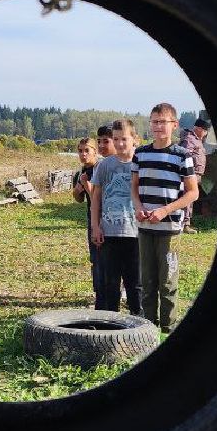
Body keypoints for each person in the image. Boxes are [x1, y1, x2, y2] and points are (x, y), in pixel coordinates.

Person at [131, 102, 198, 332]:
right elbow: (134, 187)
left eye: (163, 122)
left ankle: (168, 329)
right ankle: (148, 329)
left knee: (167, 281)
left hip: (169, 228)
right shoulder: (140, 154)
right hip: (144, 226)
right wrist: (138, 206)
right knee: (147, 281)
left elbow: (193, 192)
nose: (158, 126)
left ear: (174, 125)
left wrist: (164, 211)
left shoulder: (183, 156)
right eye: (154, 121)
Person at [89, 119, 142, 315]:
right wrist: (95, 226)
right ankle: (109, 327)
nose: (120, 144)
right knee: (110, 284)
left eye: (124, 139)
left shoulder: (141, 164)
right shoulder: (104, 166)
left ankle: (139, 327)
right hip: (109, 234)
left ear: (134, 139)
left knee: (135, 285)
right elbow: (96, 197)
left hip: (135, 234)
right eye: (116, 139)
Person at [72, 137, 104, 307]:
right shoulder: (82, 172)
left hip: (105, 220)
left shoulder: (101, 169)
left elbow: (98, 200)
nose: (83, 155)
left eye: (86, 151)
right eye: (80, 151)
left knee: (105, 259)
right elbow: (78, 199)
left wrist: (87, 185)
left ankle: (109, 294)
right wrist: (78, 191)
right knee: (95, 259)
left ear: (95, 152)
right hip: (91, 220)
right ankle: (98, 293)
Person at [178, 116, 210, 232]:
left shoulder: (196, 139)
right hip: (189, 175)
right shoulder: (190, 139)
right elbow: (185, 154)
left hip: (194, 175)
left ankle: (186, 223)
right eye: (205, 131)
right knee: (186, 198)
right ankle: (184, 224)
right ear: (200, 129)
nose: (206, 134)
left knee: (189, 199)